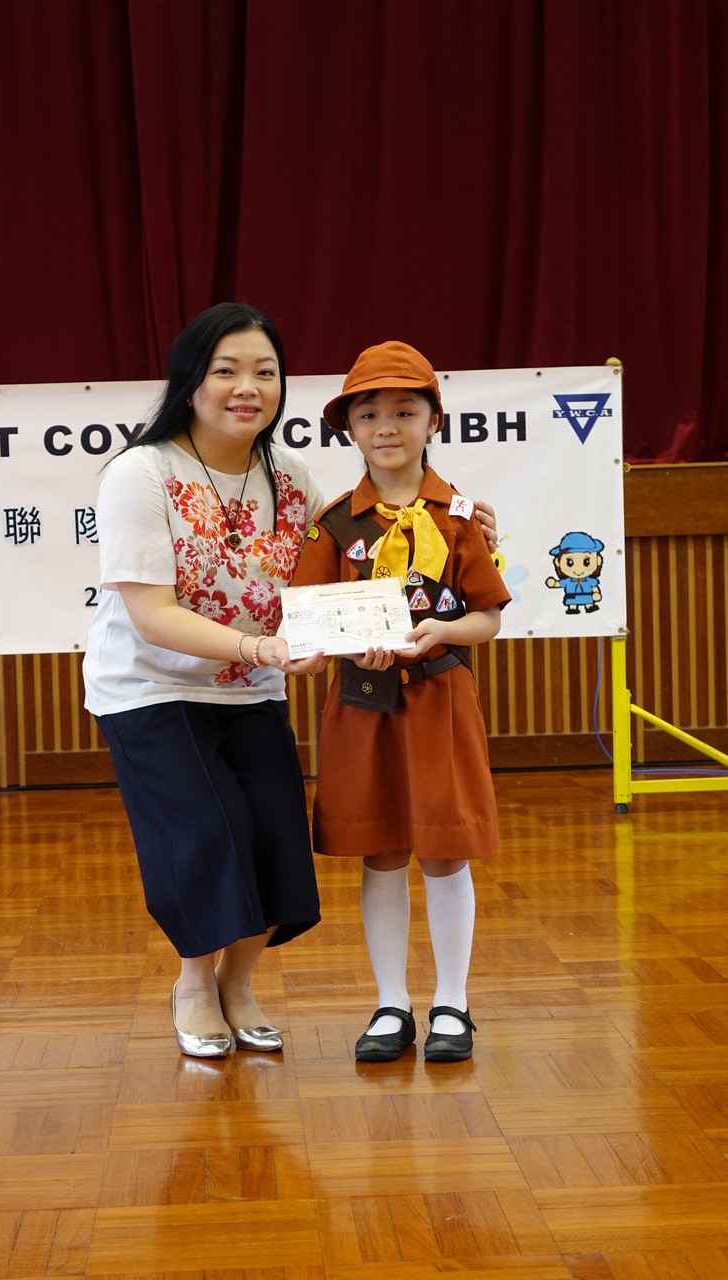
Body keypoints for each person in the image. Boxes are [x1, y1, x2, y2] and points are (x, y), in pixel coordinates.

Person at [82, 302, 327, 1059]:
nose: (247, 387)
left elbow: (355, 555)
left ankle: (237, 983)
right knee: (209, 832)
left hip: (248, 687)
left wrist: (458, 524)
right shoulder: (141, 472)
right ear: (191, 381)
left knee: (277, 833)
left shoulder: (291, 477)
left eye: (264, 372)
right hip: (149, 688)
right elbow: (152, 616)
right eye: (226, 371)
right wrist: (259, 647)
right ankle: (193, 983)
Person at [283, 340, 511, 1064]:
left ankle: (453, 1003)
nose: (387, 427)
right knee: (380, 852)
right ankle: (389, 1004)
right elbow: (307, 622)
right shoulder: (333, 525)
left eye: (405, 412)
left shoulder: (459, 518)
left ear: (434, 421)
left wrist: (444, 630)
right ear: (347, 428)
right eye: (369, 414)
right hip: (362, 705)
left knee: (444, 851)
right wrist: (337, 648)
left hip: (441, 699)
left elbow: (487, 617)